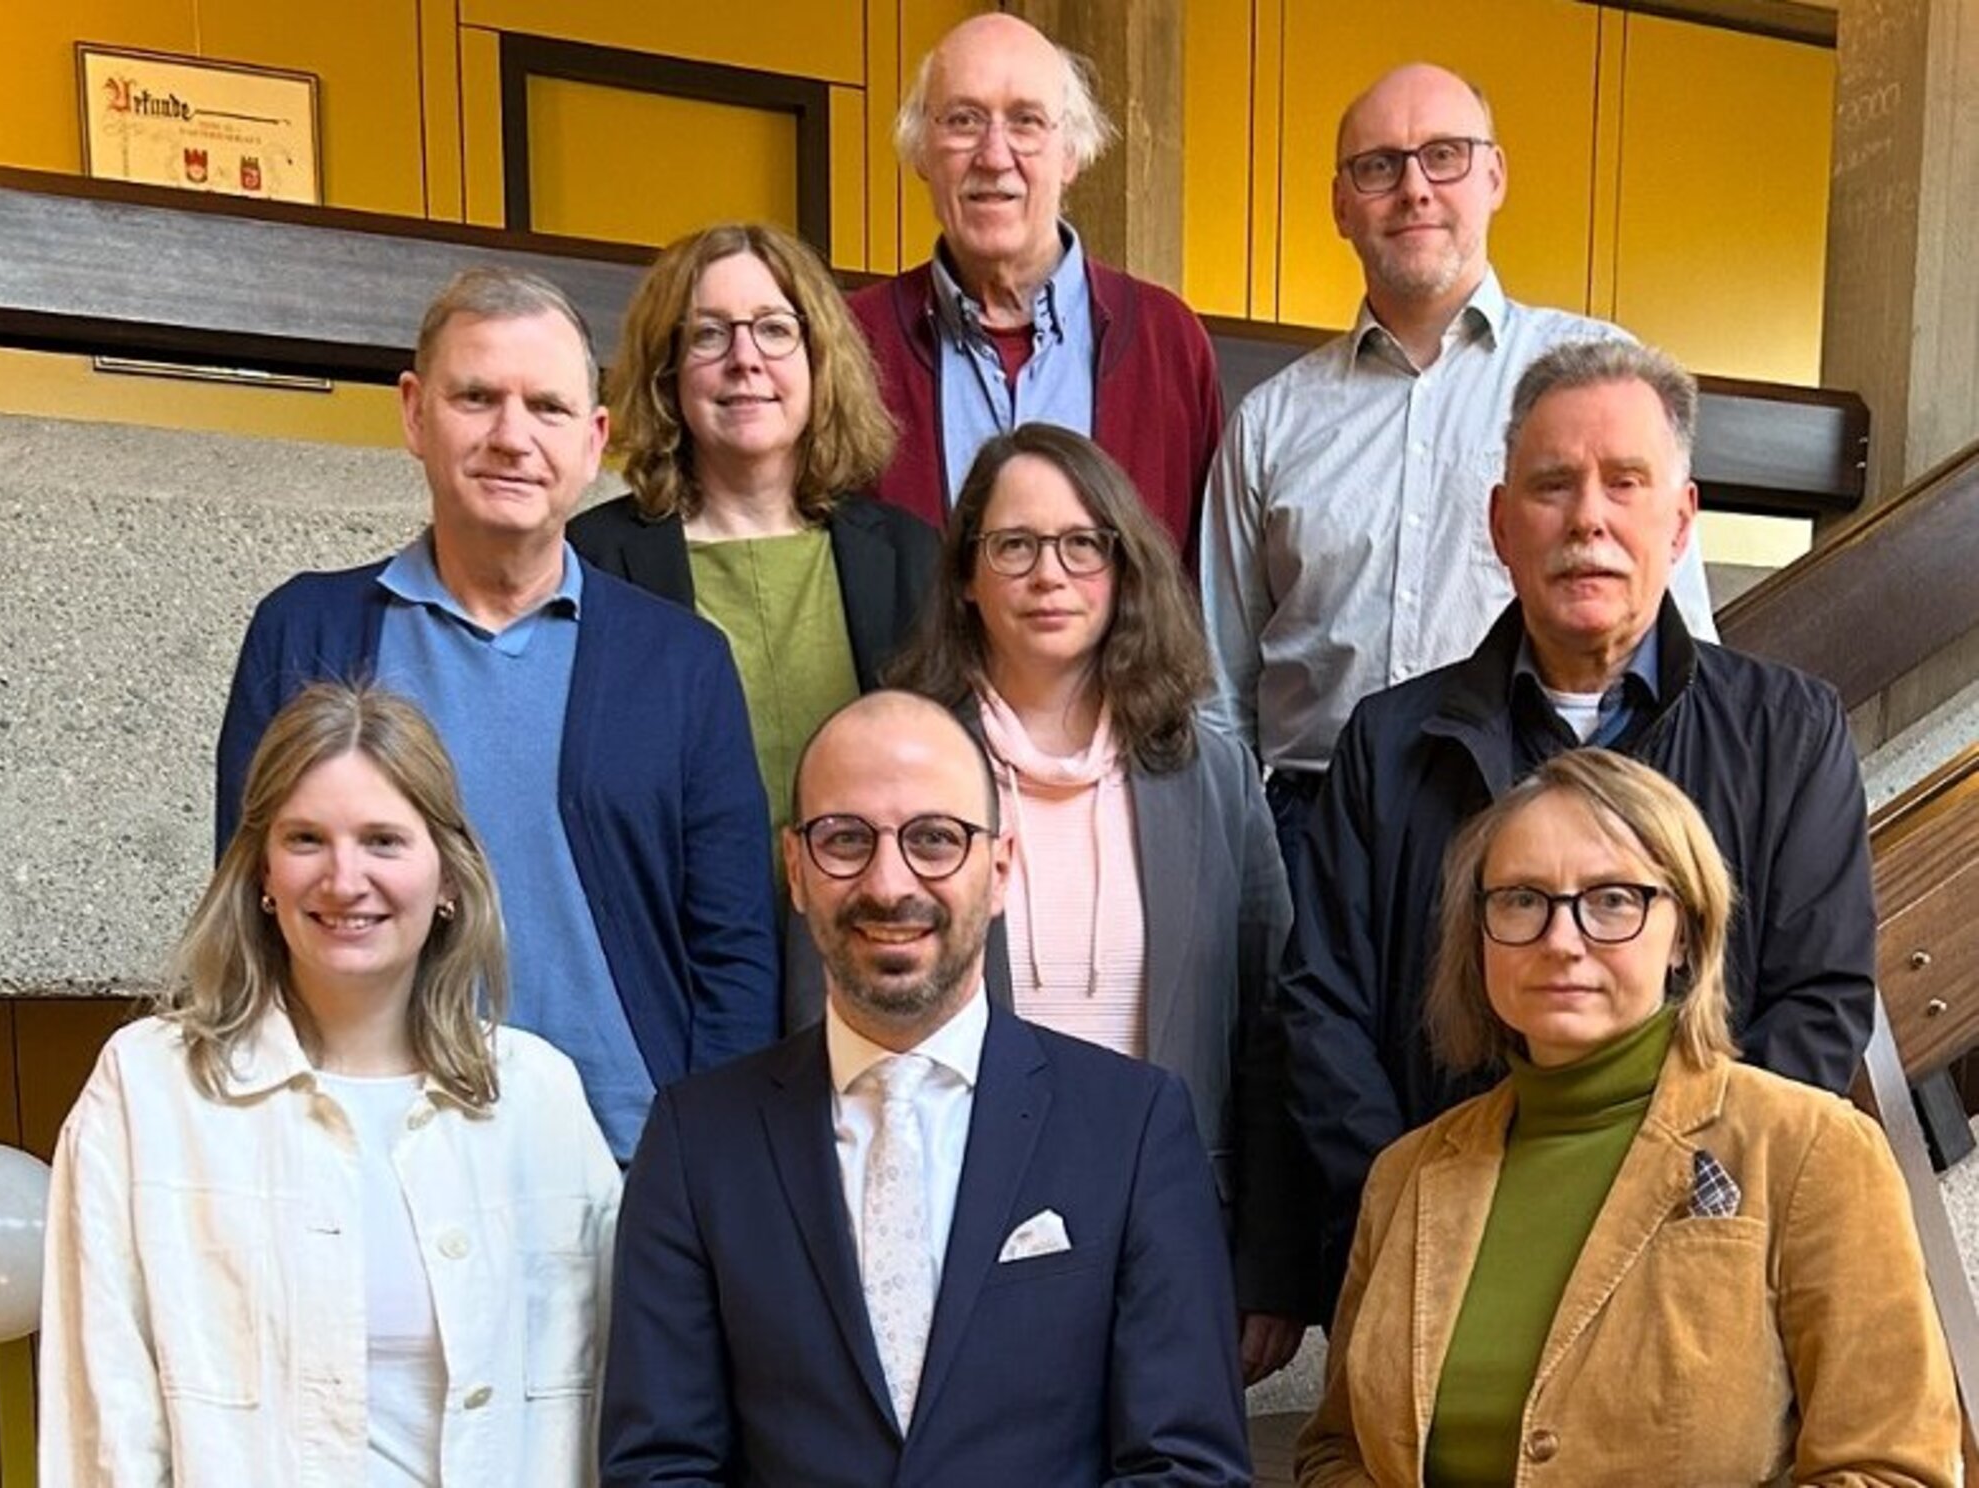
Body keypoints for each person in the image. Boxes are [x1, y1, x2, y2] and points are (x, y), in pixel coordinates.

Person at [1283, 338, 1876, 1324]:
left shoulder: (1789, 733)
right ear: (1499, 524)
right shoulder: (1388, 744)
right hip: (1441, 1267)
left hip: (1694, 1270)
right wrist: (1414, 1199)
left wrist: (1672, 1202)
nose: (1587, 518)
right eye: (1552, 485)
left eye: (1624, 482)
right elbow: (1321, 1006)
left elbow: (1817, 1000)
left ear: (1679, 521)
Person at [600, 691, 1250, 1487]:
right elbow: (662, 1467)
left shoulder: (1133, 1127)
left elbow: (1187, 1467)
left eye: (935, 838)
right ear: (796, 869)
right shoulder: (696, 1139)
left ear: (999, 870)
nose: (888, 882)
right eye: (845, 839)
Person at [216, 266, 777, 1162]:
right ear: (414, 414)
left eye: (547, 407)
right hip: (371, 1142)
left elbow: (735, 950)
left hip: (626, 1152)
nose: (512, 437)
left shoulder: (680, 663)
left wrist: (710, 1159)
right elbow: (251, 900)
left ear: (594, 442)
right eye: (477, 398)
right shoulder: (307, 633)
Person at [1300, 748, 1959, 1486]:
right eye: (1521, 899)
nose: (1560, 941)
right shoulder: (1405, 1177)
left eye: (1613, 899)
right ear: (1477, 931)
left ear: (1685, 932)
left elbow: (1893, 1470)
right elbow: (1337, 1453)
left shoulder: (1810, 1149)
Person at [42, 683, 620, 1486]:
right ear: (263, 873)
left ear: (448, 878)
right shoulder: (147, 1089)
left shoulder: (538, 1097)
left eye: (383, 841)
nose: (345, 880)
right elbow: (103, 1419)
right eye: (307, 839)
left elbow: (612, 1399)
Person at [1201, 62, 1716, 849]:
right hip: (1319, 827)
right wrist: (1245, 863)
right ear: (1340, 205)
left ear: (1495, 176)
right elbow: (1221, 689)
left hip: (1548, 815)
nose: (1414, 189)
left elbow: (1685, 648)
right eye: (1379, 166)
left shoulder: (1597, 378)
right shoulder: (1271, 423)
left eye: (1445, 155)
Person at [884, 422, 1306, 1381]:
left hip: (1167, 1233)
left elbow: (1270, 1029)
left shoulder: (1210, 772)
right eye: (1015, 545)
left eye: (1083, 544)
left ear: (1123, 569)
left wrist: (1271, 1263)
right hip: (943, 1234)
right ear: (966, 575)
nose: (1050, 575)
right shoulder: (903, 765)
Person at [569, 222, 938, 868]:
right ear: (667, 371)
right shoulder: (592, 562)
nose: (745, 358)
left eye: (774, 329)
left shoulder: (912, 557)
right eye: (709, 334)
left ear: (819, 359)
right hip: (678, 923)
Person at [851, 12, 1222, 564]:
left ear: (1070, 153)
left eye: (1026, 121)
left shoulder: (1168, 341)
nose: (994, 156)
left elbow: (1201, 578)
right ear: (922, 150)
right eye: (963, 120)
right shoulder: (852, 342)